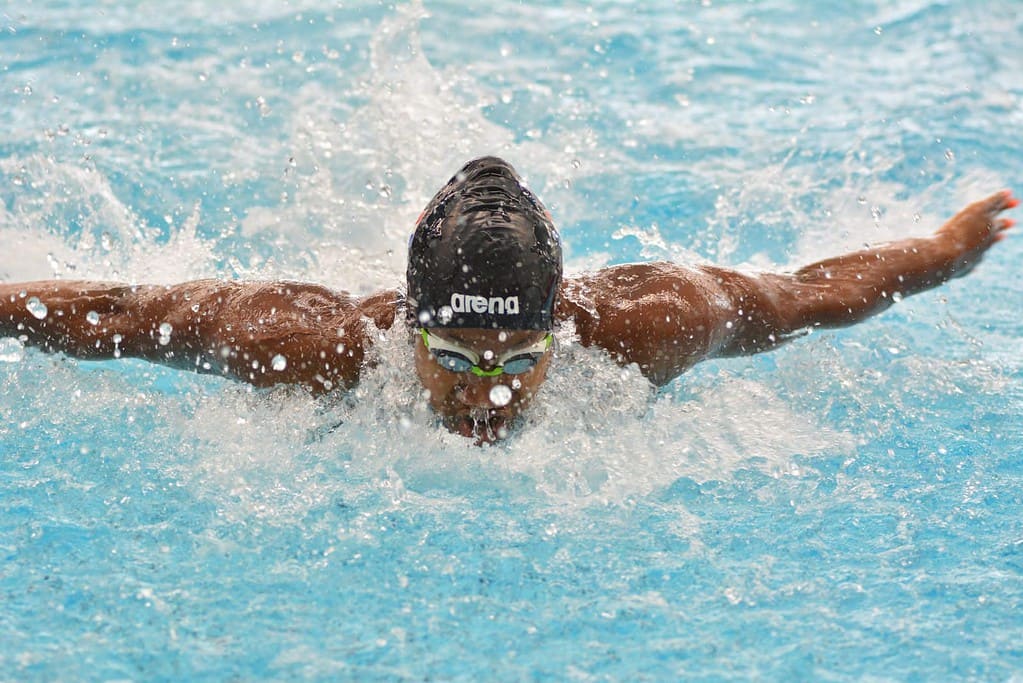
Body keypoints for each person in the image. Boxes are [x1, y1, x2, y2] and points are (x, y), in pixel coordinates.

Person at [0, 157, 1017, 443]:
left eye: (519, 362)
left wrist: (944, 249)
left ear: (558, 325)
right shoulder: (311, 342)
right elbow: (114, 314)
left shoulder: (646, 321)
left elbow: (805, 295)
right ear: (412, 326)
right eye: (459, 361)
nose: (489, 396)